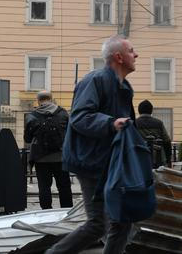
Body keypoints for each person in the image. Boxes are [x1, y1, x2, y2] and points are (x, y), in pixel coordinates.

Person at [46, 35, 137, 254]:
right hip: (90, 162)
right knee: (98, 224)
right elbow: (79, 117)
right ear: (119, 57)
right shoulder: (95, 80)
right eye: (131, 50)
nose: (136, 55)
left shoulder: (124, 87)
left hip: (110, 163)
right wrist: (111, 123)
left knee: (123, 220)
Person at [24, 91, 73, 210]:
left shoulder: (32, 116)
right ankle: (66, 211)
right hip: (60, 157)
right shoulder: (63, 113)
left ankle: (46, 212)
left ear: (38, 101)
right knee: (64, 186)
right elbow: (70, 134)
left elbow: (27, 139)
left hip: (40, 158)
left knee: (44, 187)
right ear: (51, 99)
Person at [135, 100, 172, 168]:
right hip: (158, 159)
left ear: (139, 110)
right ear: (151, 111)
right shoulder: (159, 123)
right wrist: (168, 159)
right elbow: (167, 141)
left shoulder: (134, 123)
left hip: (139, 158)